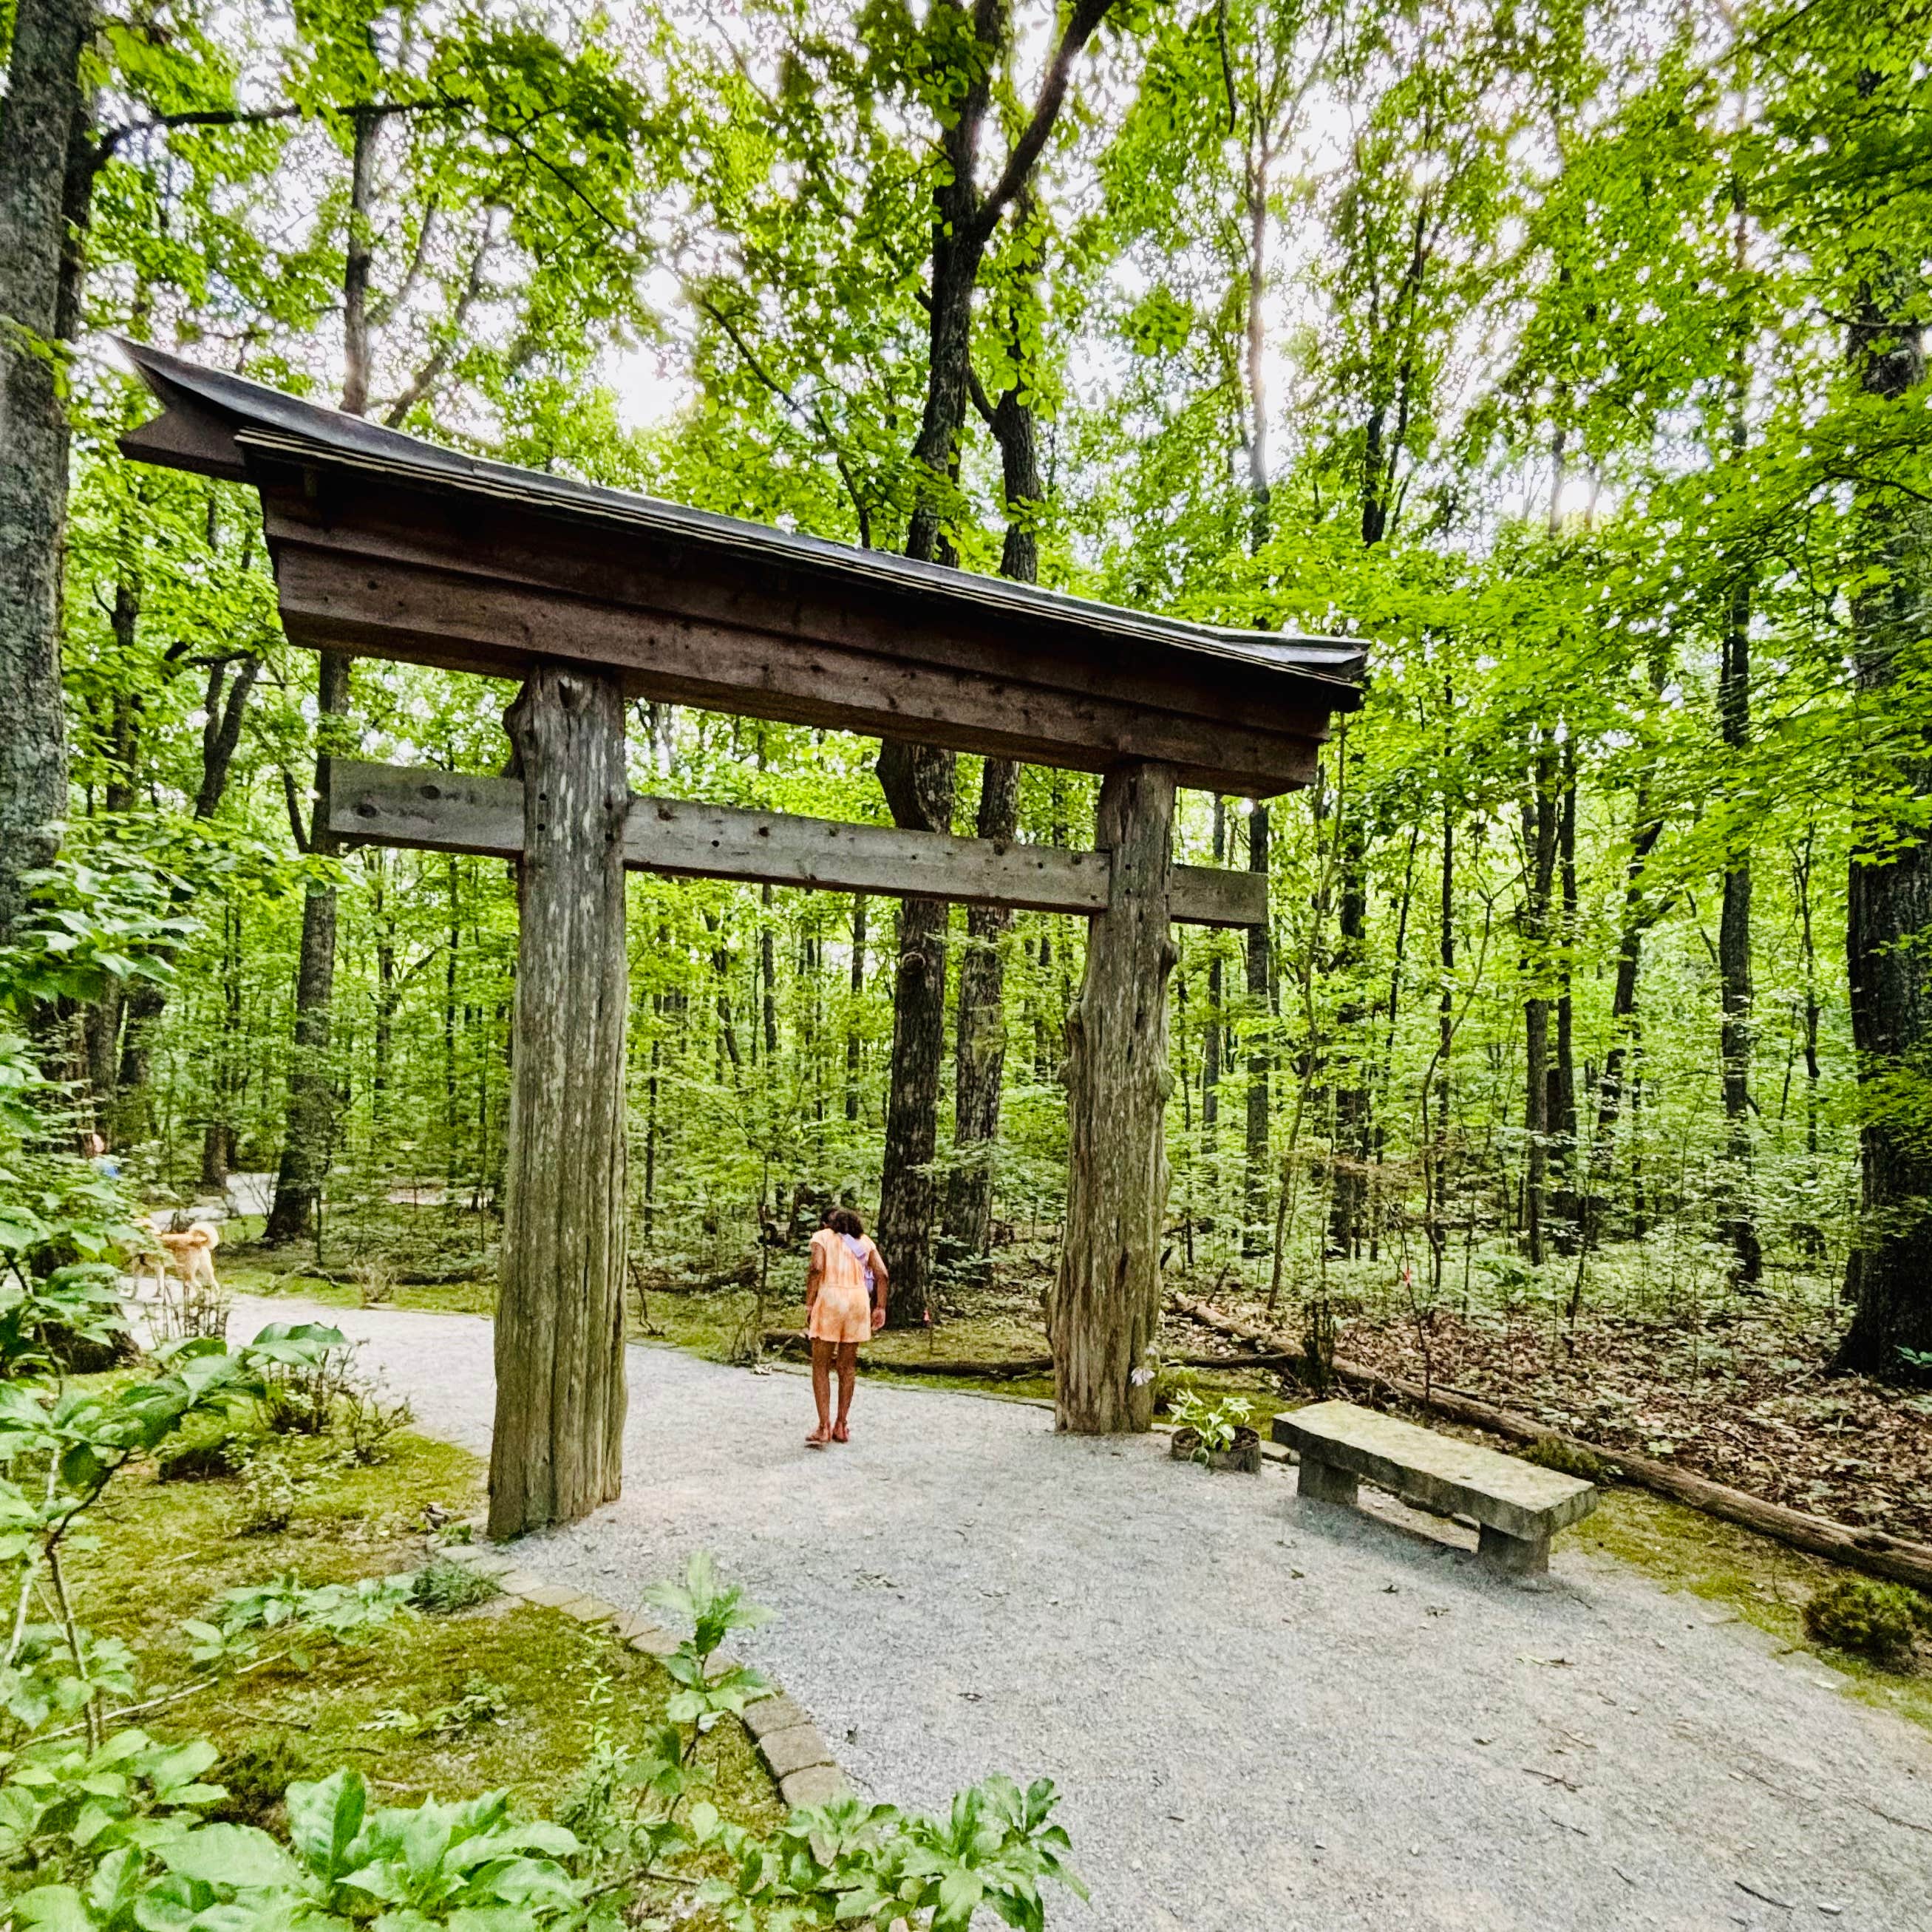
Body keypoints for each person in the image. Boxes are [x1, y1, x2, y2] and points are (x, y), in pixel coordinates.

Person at [803, 1206, 887, 1447]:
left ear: (826, 1224)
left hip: (830, 1301)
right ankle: (842, 1424)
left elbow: (817, 1268)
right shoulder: (865, 1241)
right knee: (847, 1366)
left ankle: (823, 1427)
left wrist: (810, 1304)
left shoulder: (822, 1238)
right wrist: (880, 1306)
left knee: (820, 1365)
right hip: (858, 1302)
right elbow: (883, 1274)